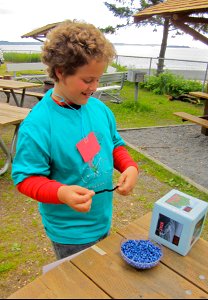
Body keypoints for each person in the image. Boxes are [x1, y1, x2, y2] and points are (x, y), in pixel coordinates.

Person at [11, 20, 139, 259]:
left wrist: (129, 166)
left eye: (98, 79)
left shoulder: (100, 110)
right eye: (88, 80)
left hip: (102, 220)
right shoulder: (38, 125)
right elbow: (25, 178)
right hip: (69, 234)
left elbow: (115, 145)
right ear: (60, 72)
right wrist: (61, 193)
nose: (94, 87)